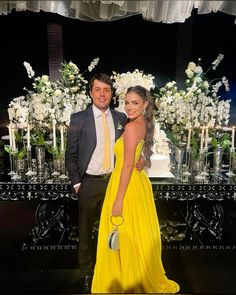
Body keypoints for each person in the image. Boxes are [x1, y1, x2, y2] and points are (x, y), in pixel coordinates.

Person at [91, 85, 180, 293]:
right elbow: (135, 155)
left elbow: (128, 165)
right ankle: (132, 277)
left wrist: (119, 199)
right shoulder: (142, 124)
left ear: (145, 104)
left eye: (135, 103)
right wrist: (141, 156)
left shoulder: (132, 127)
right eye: (127, 102)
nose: (129, 107)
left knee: (125, 233)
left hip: (126, 186)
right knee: (133, 234)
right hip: (135, 184)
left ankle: (125, 281)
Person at [65, 73, 144, 293]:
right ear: (90, 93)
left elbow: (135, 143)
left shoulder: (122, 118)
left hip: (115, 183)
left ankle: (109, 272)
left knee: (114, 230)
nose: (102, 94)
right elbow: (70, 155)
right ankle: (87, 274)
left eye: (106, 90)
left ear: (112, 94)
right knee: (86, 233)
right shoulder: (78, 119)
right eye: (97, 89)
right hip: (89, 184)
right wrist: (77, 184)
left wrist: (142, 156)